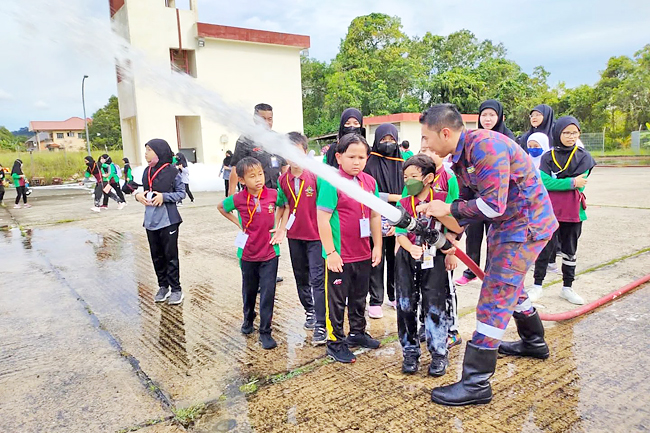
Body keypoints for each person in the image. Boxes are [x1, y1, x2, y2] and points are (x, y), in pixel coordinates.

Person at [417, 104, 557, 406]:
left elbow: (493, 206)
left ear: (445, 132)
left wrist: (448, 209)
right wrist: (450, 230)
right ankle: (534, 342)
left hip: (526, 226)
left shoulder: (486, 147)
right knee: (509, 284)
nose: (424, 145)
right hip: (509, 226)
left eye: (426, 138)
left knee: (495, 294)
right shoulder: (462, 155)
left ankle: (476, 383)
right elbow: (469, 201)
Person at [317, 133, 382, 363]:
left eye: (361, 157)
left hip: (363, 253)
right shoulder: (332, 182)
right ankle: (335, 342)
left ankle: (358, 332)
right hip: (340, 257)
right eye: (351, 156)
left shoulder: (369, 182)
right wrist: (331, 253)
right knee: (336, 301)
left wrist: (377, 245)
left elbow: (374, 216)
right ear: (339, 156)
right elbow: (323, 219)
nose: (356, 161)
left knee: (358, 297)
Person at [394, 154, 462, 376]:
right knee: (405, 306)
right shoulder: (404, 203)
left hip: (435, 259)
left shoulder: (442, 200)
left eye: (413, 176)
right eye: (405, 177)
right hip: (407, 258)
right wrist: (409, 247)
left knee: (434, 306)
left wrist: (438, 212)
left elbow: (457, 227)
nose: (408, 181)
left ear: (428, 177)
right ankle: (410, 352)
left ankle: (439, 353)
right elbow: (400, 234)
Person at [218, 157, 287, 349]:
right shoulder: (239, 199)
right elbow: (221, 207)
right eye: (252, 176)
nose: (258, 179)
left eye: (260, 174)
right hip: (247, 253)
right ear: (241, 180)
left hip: (270, 252)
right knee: (249, 290)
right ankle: (248, 318)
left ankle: (265, 331)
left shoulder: (273, 194)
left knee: (268, 292)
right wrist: (237, 223)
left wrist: (281, 227)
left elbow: (286, 205)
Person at [527, 117, 595, 305]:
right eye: (566, 132)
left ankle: (567, 287)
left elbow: (582, 185)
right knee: (544, 248)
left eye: (574, 132)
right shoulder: (548, 157)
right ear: (558, 133)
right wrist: (571, 182)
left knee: (569, 250)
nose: (570, 136)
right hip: (549, 211)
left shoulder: (585, 158)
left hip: (573, 211)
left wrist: (564, 184)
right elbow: (545, 182)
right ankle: (537, 286)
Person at [455, 98, 516, 287]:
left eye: (492, 115)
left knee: (493, 239)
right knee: (472, 237)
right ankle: (471, 270)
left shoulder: (507, 139)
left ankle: (489, 273)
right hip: (476, 198)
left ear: (500, 117)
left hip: (498, 201)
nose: (487, 119)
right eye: (484, 115)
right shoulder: (473, 139)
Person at [277, 132, 327, 345]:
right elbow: (285, 205)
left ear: (306, 153)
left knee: (317, 278)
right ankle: (309, 311)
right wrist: (278, 229)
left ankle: (322, 323)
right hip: (295, 236)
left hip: (316, 236)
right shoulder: (283, 179)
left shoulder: (316, 176)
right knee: (300, 275)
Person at [134, 139, 187, 305]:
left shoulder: (172, 172)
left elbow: (181, 193)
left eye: (149, 150)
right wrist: (138, 196)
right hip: (150, 221)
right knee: (156, 256)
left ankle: (176, 289)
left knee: (170, 256)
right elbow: (143, 191)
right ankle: (163, 286)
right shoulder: (146, 172)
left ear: (159, 151)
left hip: (168, 221)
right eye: (146, 150)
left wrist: (164, 197)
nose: (146, 154)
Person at [363, 123, 404, 317]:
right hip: (374, 216)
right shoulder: (369, 163)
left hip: (399, 219)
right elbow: (367, 193)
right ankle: (376, 300)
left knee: (396, 259)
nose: (387, 144)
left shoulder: (402, 163)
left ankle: (394, 295)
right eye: (383, 140)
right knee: (376, 259)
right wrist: (393, 198)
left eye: (391, 140)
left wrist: (398, 222)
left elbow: (408, 194)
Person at [228, 103, 287, 197]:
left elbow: (284, 167)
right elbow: (235, 169)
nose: (267, 123)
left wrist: (286, 191)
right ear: (255, 119)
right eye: (263, 119)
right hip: (253, 194)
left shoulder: (278, 139)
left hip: (275, 194)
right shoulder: (245, 140)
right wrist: (230, 196)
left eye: (270, 119)